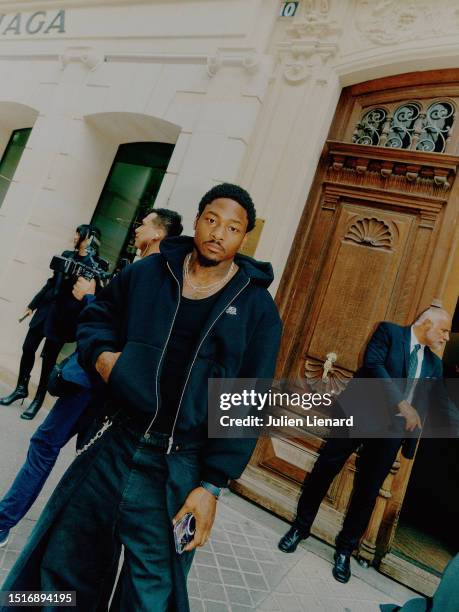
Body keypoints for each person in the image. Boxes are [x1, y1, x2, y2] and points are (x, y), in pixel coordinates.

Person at [1, 183, 282, 611]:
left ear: (244, 238)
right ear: (198, 219)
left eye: (232, 227)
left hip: (178, 465)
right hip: (115, 439)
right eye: (212, 219)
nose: (218, 233)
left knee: (152, 591)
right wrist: (102, 358)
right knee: (64, 562)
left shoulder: (257, 310)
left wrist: (211, 486)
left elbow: (246, 402)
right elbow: (99, 315)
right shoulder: (151, 272)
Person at [0, 208, 183, 550]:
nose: (137, 227)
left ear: (158, 234)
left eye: (144, 223)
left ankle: (3, 523)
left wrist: (88, 297)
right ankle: (59, 541)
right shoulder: (156, 274)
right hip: (110, 390)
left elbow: (115, 329)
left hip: (91, 383)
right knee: (85, 464)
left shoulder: (146, 273)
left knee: (44, 446)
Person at [278, 307, 451, 584]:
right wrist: (402, 404)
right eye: (444, 330)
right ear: (427, 323)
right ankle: (300, 527)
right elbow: (374, 366)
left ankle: (345, 549)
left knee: (368, 491)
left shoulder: (435, 365)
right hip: (358, 415)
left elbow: (439, 402)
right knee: (325, 469)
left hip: (391, 432)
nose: (446, 338)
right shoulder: (389, 333)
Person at [0, 224, 104, 420]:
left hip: (63, 318)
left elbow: (87, 295)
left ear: (88, 239)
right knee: (28, 348)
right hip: (45, 310)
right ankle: (21, 388)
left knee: (48, 361)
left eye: (78, 234)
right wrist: (32, 304)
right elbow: (50, 282)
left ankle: (38, 399)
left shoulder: (93, 265)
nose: (74, 237)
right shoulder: (66, 254)